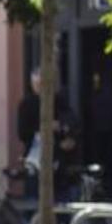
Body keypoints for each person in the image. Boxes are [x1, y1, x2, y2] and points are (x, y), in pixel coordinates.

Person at [17, 65, 81, 201]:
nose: (40, 88)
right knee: (35, 199)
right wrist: (44, 128)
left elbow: (72, 122)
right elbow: (22, 133)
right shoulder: (27, 104)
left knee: (60, 199)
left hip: (59, 163)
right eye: (37, 84)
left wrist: (63, 129)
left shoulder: (59, 101)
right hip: (36, 161)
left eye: (43, 84)